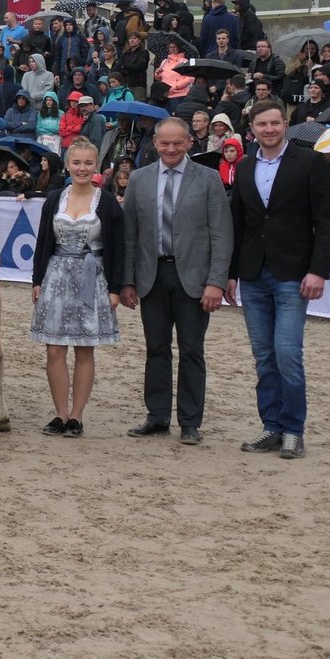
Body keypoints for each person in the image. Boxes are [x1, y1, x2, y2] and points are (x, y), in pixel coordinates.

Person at [228, 99, 330, 460]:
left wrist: (318, 270)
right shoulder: (244, 166)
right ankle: (271, 426)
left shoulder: (310, 162)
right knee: (264, 357)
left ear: (285, 125)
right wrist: (230, 273)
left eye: (275, 123)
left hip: (293, 273)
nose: (269, 129)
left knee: (288, 354)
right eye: (262, 124)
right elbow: (239, 224)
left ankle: (293, 430)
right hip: (253, 274)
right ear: (252, 129)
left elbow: (326, 221)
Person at [117, 117, 232, 445]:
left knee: (192, 349)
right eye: (164, 143)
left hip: (194, 278)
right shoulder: (138, 179)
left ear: (189, 143)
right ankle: (157, 417)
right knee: (156, 348)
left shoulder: (208, 179)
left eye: (177, 143)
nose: (170, 149)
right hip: (151, 275)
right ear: (155, 143)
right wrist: (127, 281)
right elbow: (129, 234)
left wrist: (216, 282)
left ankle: (190, 421)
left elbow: (221, 233)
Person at [30, 137, 124, 438]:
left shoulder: (106, 202)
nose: (82, 168)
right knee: (54, 349)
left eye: (87, 163)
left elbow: (118, 247)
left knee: (85, 349)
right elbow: (43, 241)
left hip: (91, 278)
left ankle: (76, 416)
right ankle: (60, 413)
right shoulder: (54, 199)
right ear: (68, 165)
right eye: (76, 163)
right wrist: (37, 280)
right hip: (56, 277)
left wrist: (115, 288)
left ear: (96, 166)